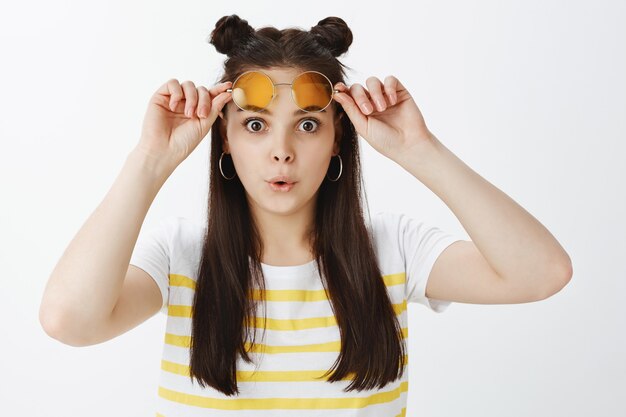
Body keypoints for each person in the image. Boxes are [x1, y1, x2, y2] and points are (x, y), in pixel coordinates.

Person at [39, 14, 573, 416]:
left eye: (309, 125)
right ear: (222, 137)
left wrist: (420, 148)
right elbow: (68, 322)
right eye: (254, 125)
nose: (281, 150)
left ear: (340, 136)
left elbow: (542, 273)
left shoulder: (395, 249)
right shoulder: (181, 256)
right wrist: (150, 162)